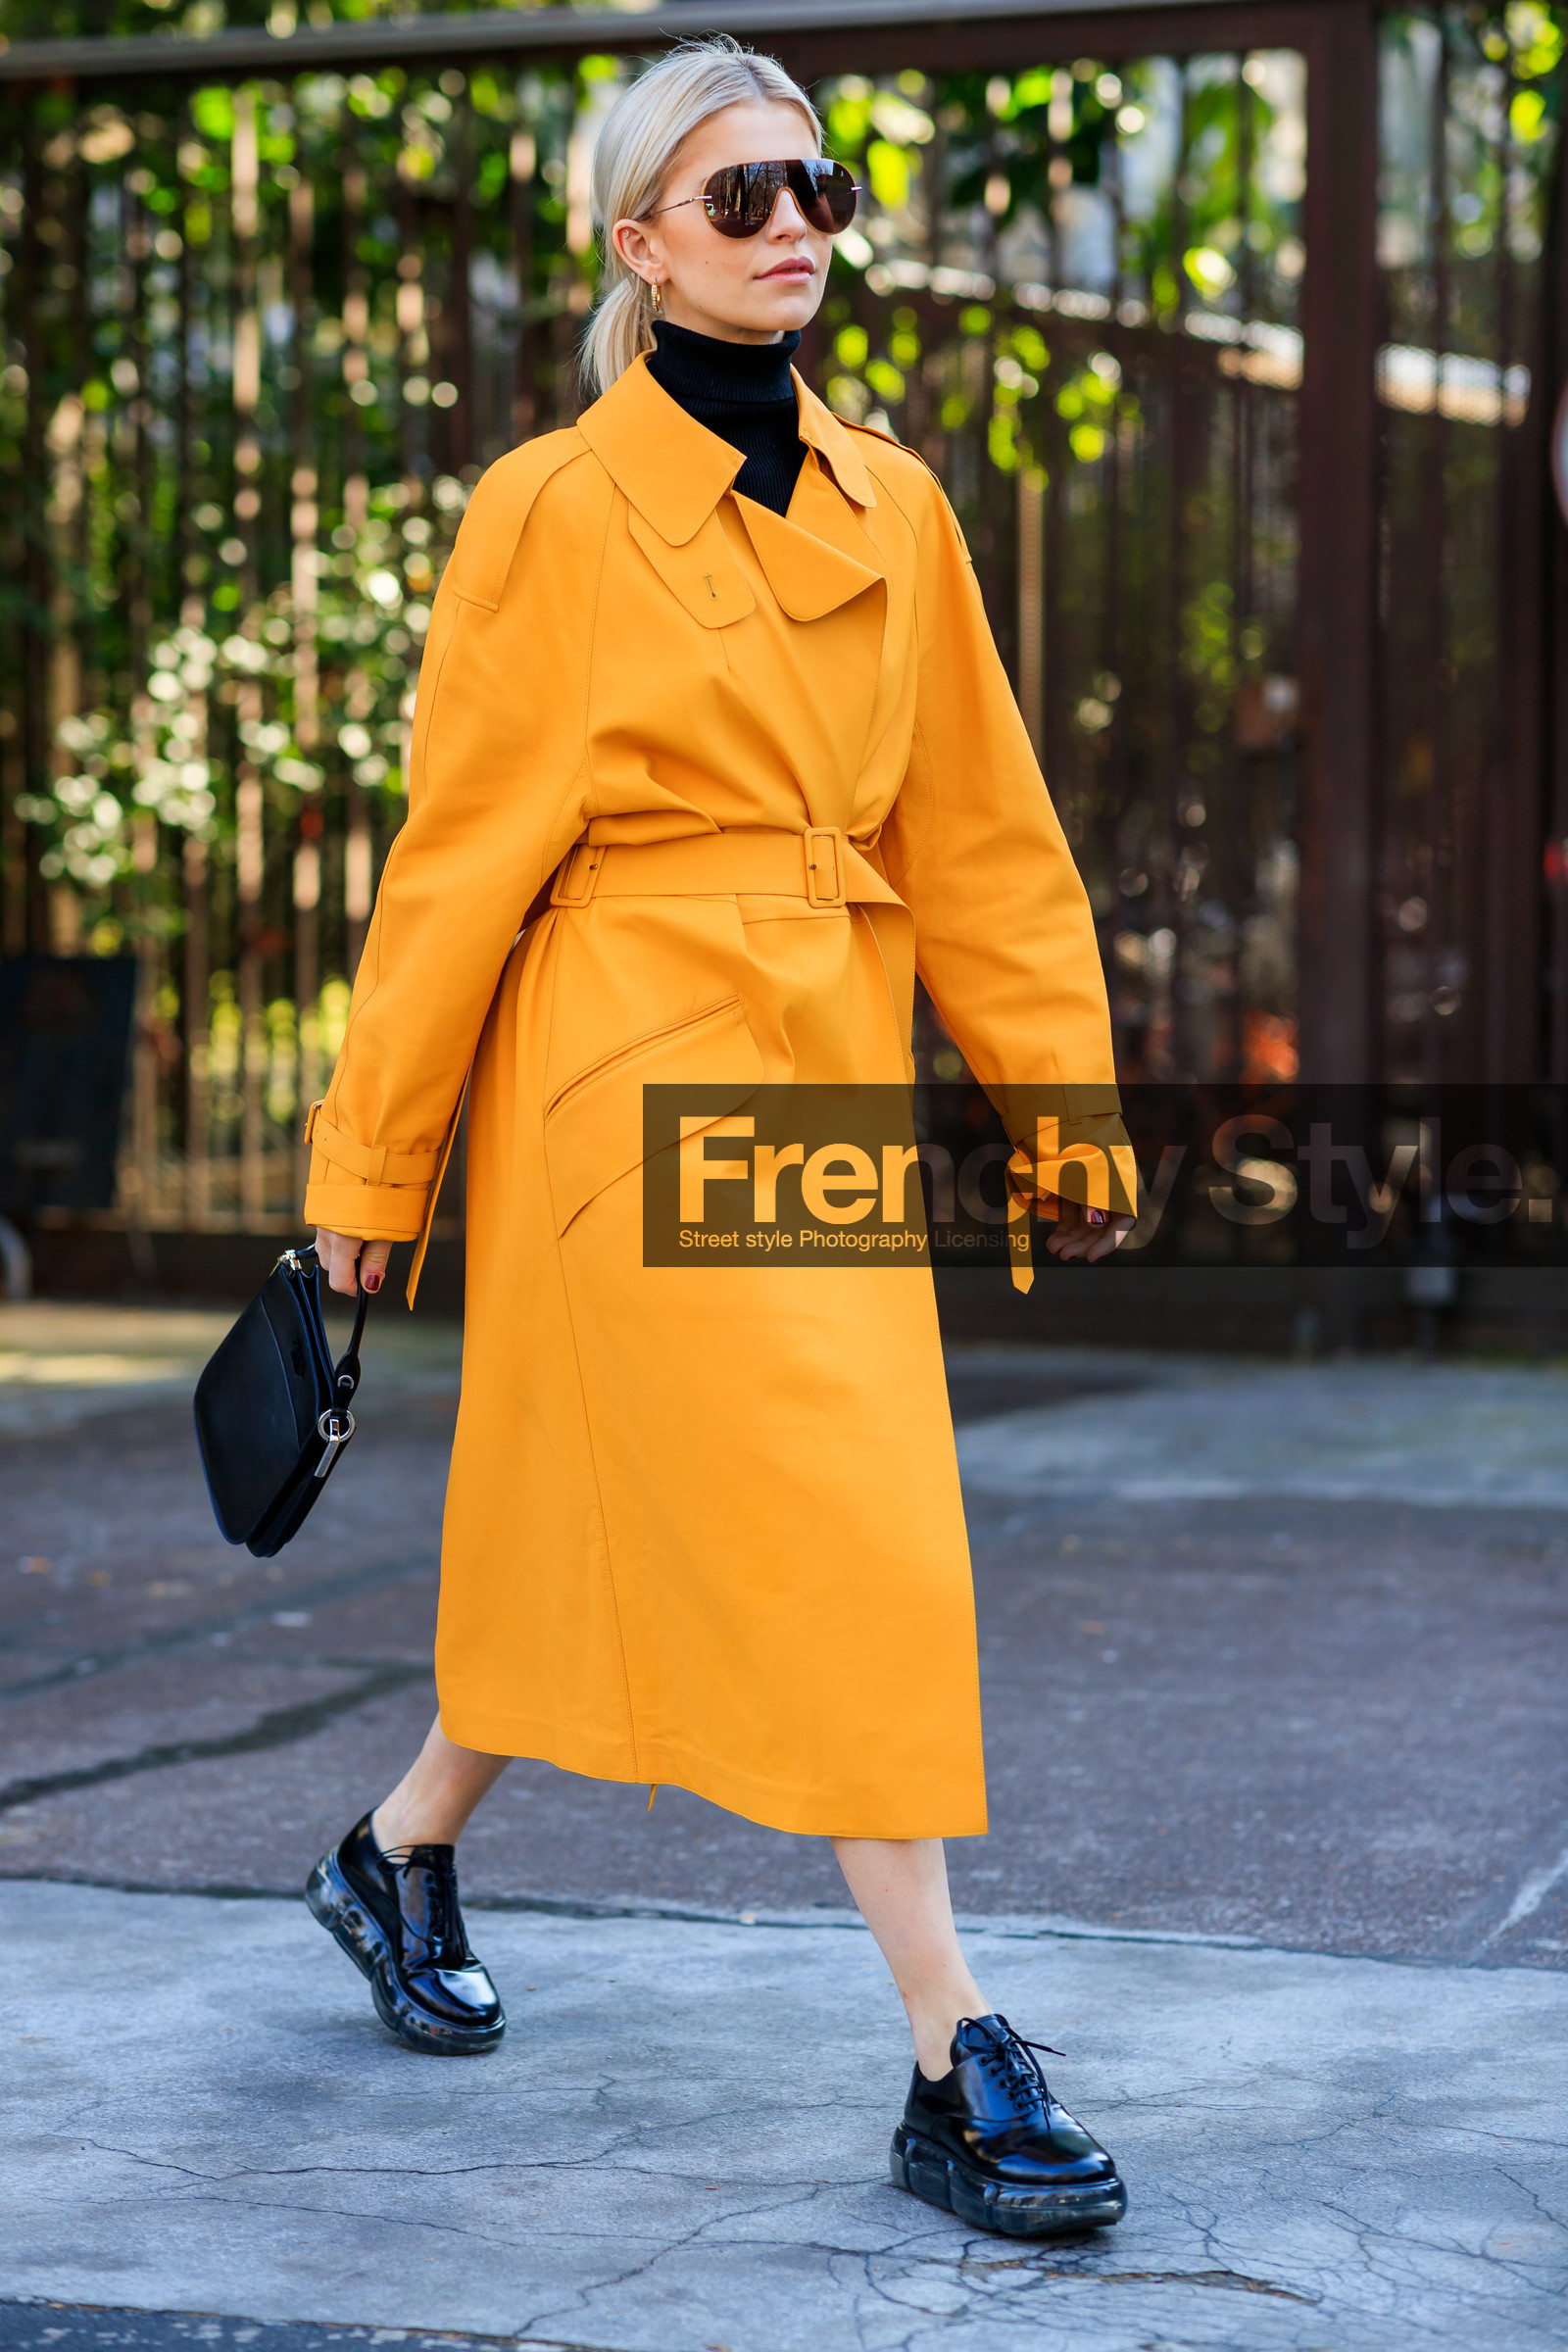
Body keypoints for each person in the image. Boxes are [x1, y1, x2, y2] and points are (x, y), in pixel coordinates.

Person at [302, 36, 1137, 2239]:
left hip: (817, 1055)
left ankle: (394, 1847)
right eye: (738, 195)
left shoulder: (900, 502)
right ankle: (957, 2049)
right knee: (855, 1521)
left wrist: (1056, 1098)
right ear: (636, 242)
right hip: (618, 1064)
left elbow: (982, 838)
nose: (789, 230)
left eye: (815, 190)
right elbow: (452, 866)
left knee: (631, 1519)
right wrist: (369, 1184)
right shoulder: (545, 512)